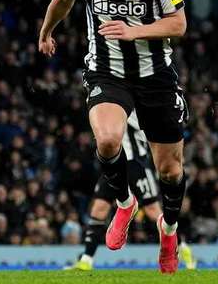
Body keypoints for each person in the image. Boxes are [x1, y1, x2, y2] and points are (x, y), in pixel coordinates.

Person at [38, 0, 190, 274]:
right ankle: (124, 203)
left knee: (170, 171)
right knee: (107, 140)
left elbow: (178, 24)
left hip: (156, 75)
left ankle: (169, 231)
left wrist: (133, 31)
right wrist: (46, 31)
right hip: (107, 72)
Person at [66, 112, 162, 271]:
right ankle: (86, 259)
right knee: (99, 208)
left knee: (153, 210)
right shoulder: (111, 98)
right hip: (115, 165)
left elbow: (147, 130)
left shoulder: (133, 104)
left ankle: (179, 246)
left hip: (137, 165)